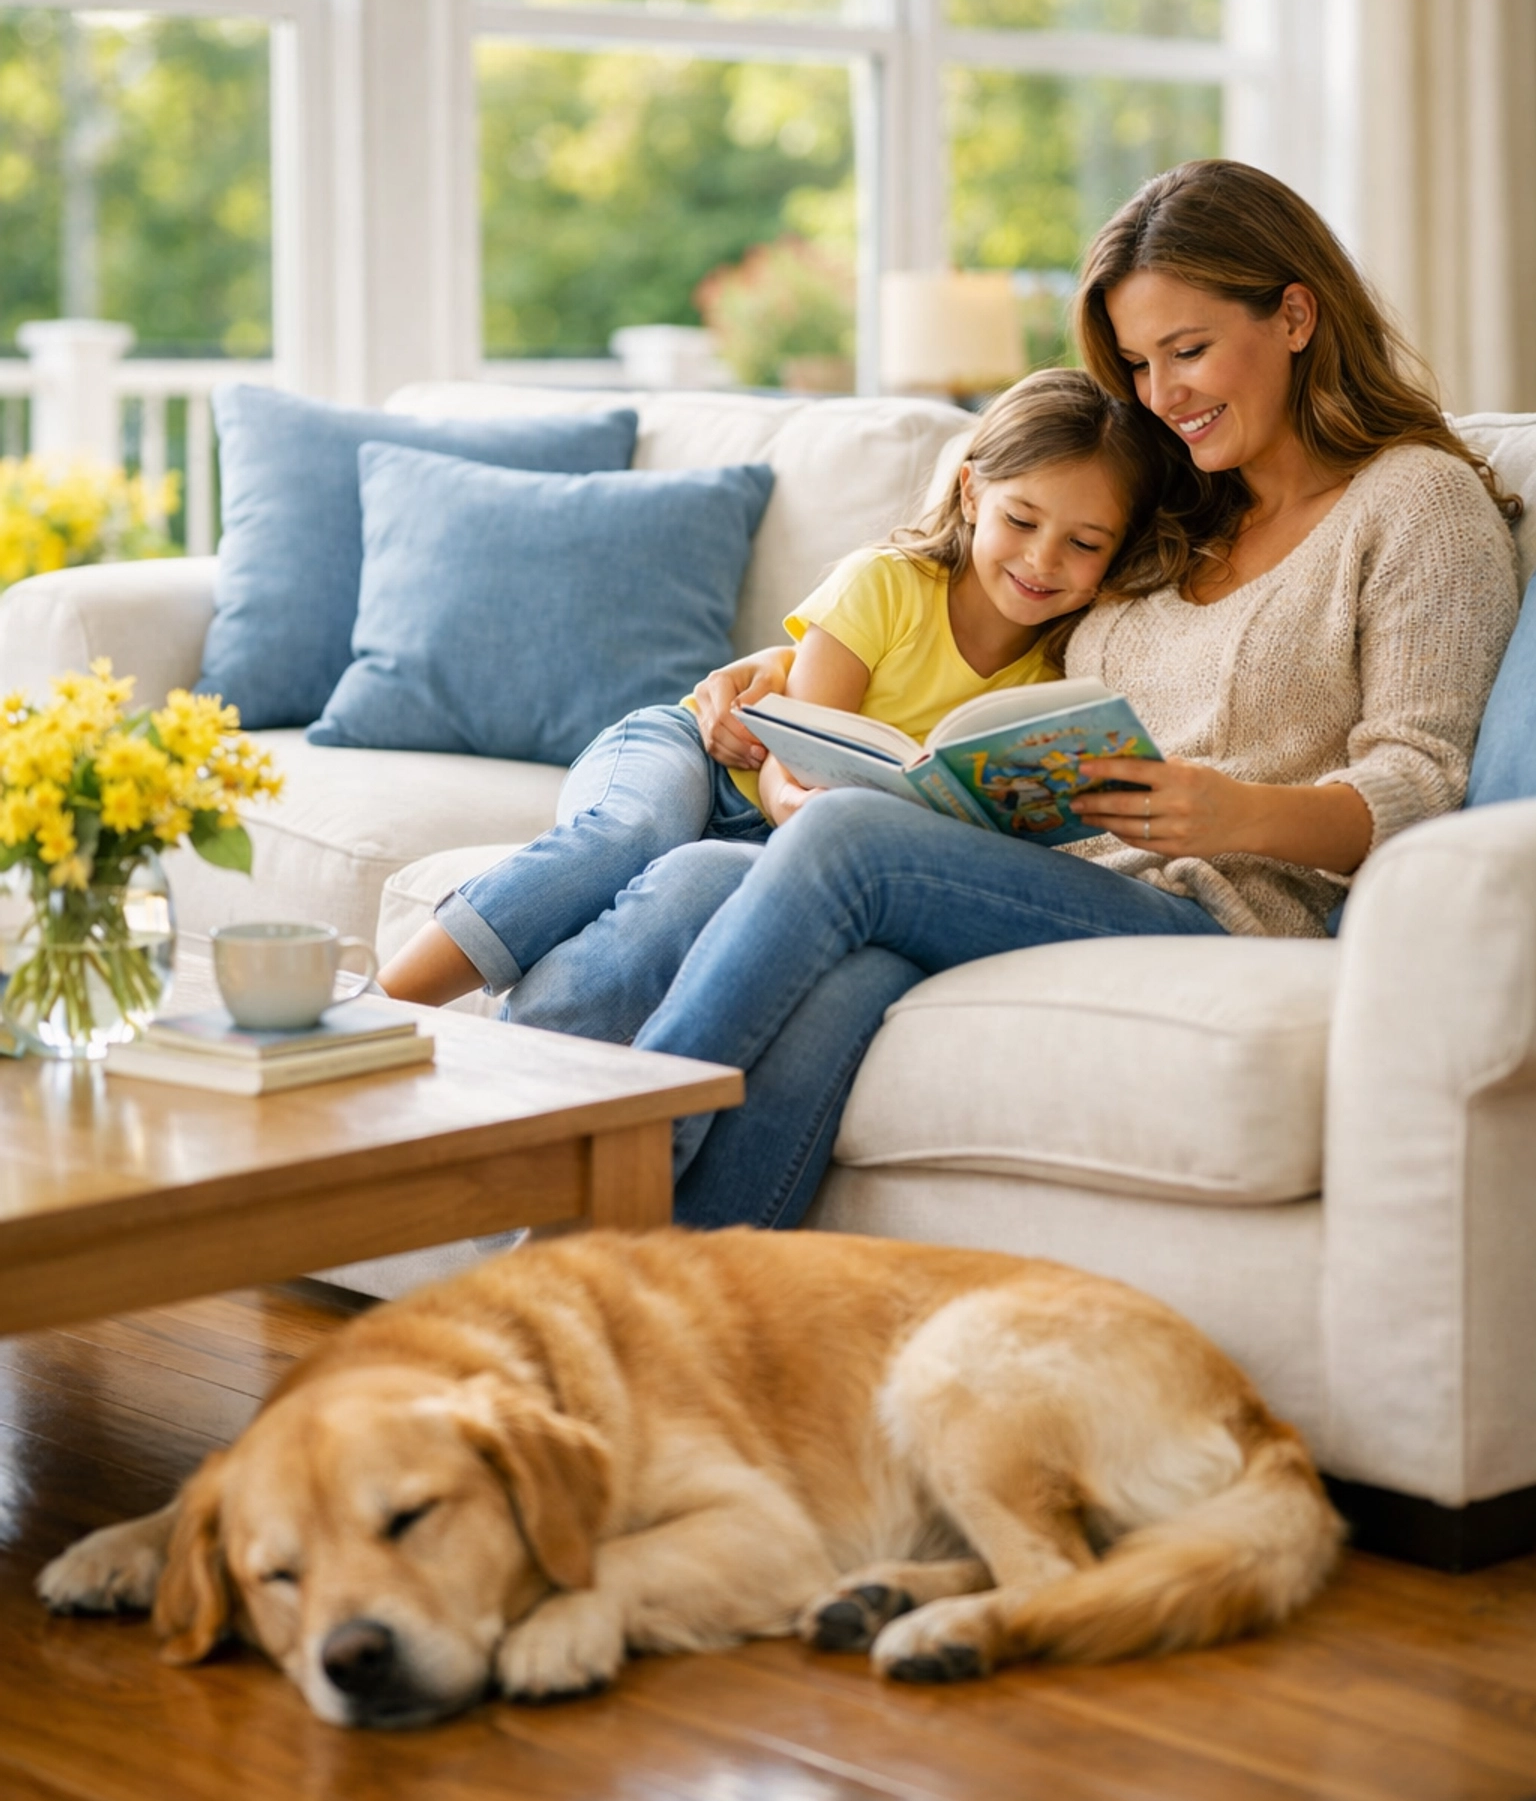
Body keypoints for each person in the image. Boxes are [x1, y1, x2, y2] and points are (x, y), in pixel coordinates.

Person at [630, 157, 1522, 1230]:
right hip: (1049, 874)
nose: (1163, 395)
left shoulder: (1415, 501)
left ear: (1295, 314)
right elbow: (970, 607)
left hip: (1224, 911)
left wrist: (1233, 809)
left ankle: (600, 1163)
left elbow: (1424, 781)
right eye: (1142, 364)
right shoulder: (1170, 507)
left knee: (845, 845)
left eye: (1187, 351)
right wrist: (783, 668)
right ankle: (686, 1310)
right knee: (735, 909)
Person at [380, 369, 1169, 1037]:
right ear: (971, 495)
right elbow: (799, 747)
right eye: (1021, 520)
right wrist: (803, 806)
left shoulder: (1055, 674)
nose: (1042, 559)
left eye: (1085, 544)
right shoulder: (888, 583)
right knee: (634, 831)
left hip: (791, 843)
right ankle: (381, 1008)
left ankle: (522, 1068)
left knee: (690, 887)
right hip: (698, 753)